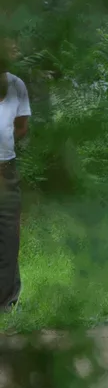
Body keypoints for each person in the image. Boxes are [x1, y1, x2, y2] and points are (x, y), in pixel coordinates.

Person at [0, 40, 29, 311]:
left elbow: (21, 127)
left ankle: (6, 303)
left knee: (9, 238)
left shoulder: (17, 85)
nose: (15, 50)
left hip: (6, 171)